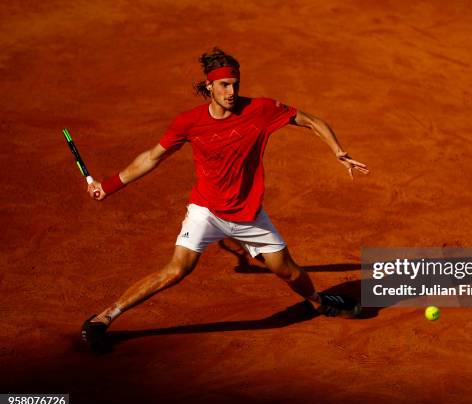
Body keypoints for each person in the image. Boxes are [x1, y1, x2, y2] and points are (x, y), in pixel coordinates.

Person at [81, 47, 370, 352]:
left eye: (235, 84)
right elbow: (152, 157)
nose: (232, 92)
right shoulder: (189, 123)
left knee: (288, 270)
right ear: (209, 86)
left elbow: (310, 120)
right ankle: (104, 317)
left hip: (248, 214)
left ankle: (318, 302)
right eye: (224, 85)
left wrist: (337, 150)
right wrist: (108, 186)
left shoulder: (260, 110)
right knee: (176, 269)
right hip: (206, 211)